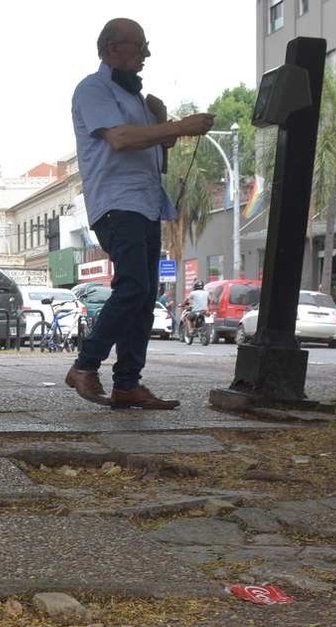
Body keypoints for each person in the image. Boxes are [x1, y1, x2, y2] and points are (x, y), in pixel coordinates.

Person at [65, 18, 214, 410]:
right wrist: (176, 125)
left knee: (147, 295)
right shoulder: (93, 89)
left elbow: (155, 159)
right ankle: (85, 365)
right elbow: (120, 138)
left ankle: (127, 383)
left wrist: (164, 127)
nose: (146, 54)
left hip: (146, 203)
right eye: (140, 46)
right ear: (114, 48)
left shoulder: (138, 101)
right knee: (133, 287)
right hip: (116, 203)